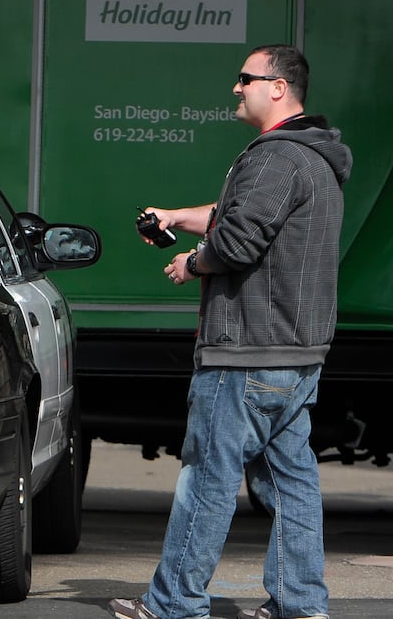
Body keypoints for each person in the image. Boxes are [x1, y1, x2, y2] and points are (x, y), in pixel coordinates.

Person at [108, 44, 351, 619]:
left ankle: (173, 605)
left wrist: (191, 262)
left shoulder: (273, 156)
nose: (236, 88)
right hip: (295, 354)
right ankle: (301, 604)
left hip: (246, 352)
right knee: (291, 483)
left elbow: (238, 240)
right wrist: (175, 217)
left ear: (278, 87)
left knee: (207, 481)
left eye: (246, 79)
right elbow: (237, 214)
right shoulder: (313, 157)